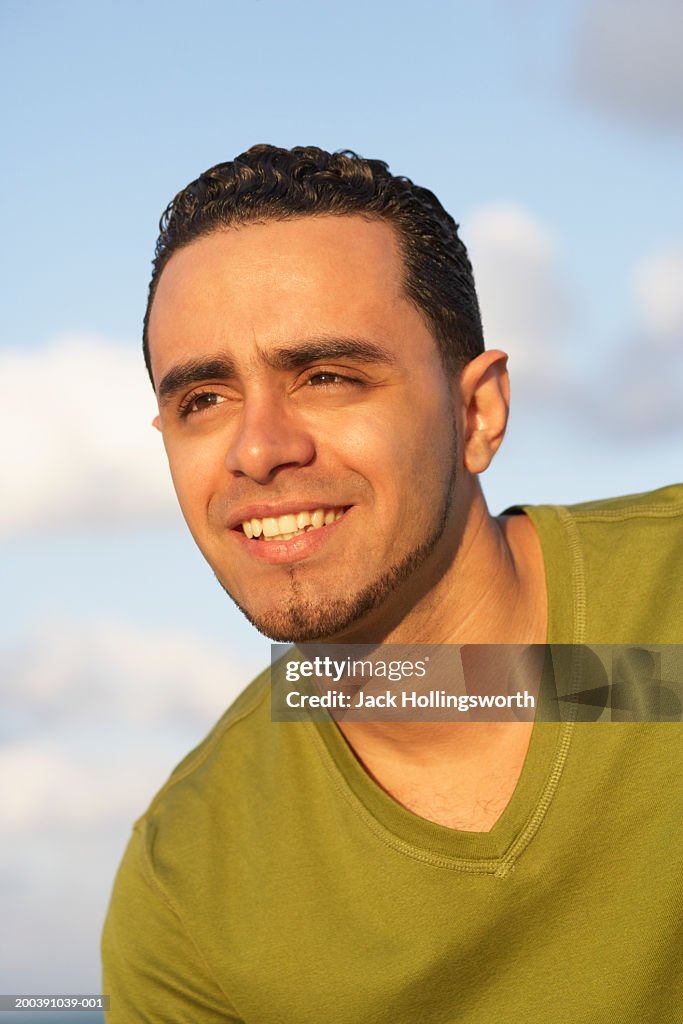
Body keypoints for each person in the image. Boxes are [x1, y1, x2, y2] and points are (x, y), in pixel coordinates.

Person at [102, 145, 682, 1022]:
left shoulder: (659, 619)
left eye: (327, 377)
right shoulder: (188, 894)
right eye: (204, 400)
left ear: (476, 414)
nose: (259, 450)